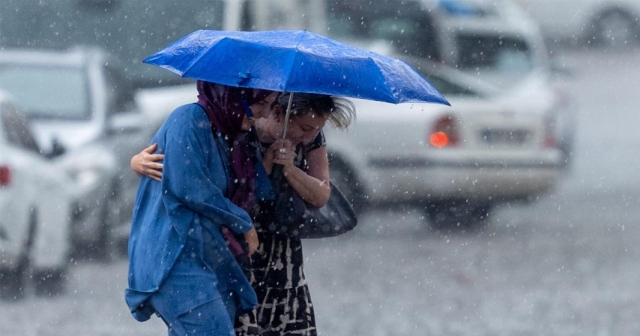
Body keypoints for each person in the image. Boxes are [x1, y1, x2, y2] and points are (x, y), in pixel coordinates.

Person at [131, 92, 355, 336]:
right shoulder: (237, 126)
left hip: (280, 248)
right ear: (280, 113)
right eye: (304, 127)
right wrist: (136, 162)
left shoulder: (309, 139)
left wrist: (289, 169)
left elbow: (321, 195)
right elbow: (194, 177)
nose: (309, 135)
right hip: (236, 246)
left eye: (316, 129)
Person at [125, 79, 278, 336]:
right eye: (260, 103)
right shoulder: (188, 120)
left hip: (212, 259)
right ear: (230, 96)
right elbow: (191, 187)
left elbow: (258, 190)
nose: (264, 113)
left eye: (270, 105)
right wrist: (242, 222)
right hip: (174, 258)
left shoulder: (232, 136)